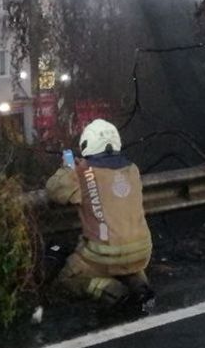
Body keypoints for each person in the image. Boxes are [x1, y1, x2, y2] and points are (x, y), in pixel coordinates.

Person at [45, 119, 155, 309]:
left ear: (87, 143)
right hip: (142, 251)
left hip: (102, 253)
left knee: (67, 278)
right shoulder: (132, 169)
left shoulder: (82, 171)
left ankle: (109, 290)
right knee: (125, 264)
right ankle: (140, 287)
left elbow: (54, 190)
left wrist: (68, 167)